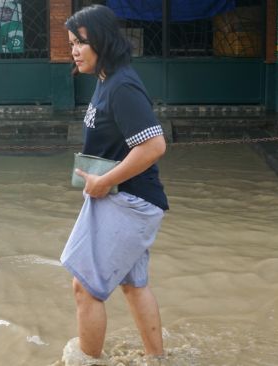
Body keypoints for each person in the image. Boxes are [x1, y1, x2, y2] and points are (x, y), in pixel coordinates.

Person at [60, 4, 169, 363]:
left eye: (80, 42)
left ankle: (88, 361)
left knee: (85, 289)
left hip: (129, 200)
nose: (74, 50)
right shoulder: (108, 79)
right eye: (71, 42)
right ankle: (157, 359)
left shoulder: (121, 85)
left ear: (102, 41)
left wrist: (104, 181)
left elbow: (154, 145)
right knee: (134, 285)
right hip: (127, 198)